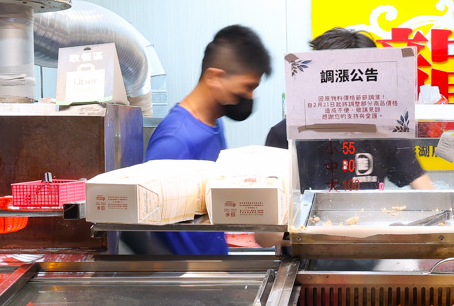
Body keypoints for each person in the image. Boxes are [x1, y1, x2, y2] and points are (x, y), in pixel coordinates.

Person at [144, 24, 272, 255]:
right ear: (214, 77)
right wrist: (192, 274)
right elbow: (148, 226)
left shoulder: (214, 124)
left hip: (213, 270)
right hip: (190, 280)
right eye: (247, 87)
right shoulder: (175, 140)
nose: (250, 97)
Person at [265, 28, 434, 192]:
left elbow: (422, 184)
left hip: (365, 218)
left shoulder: (385, 131)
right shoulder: (283, 135)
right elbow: (272, 197)